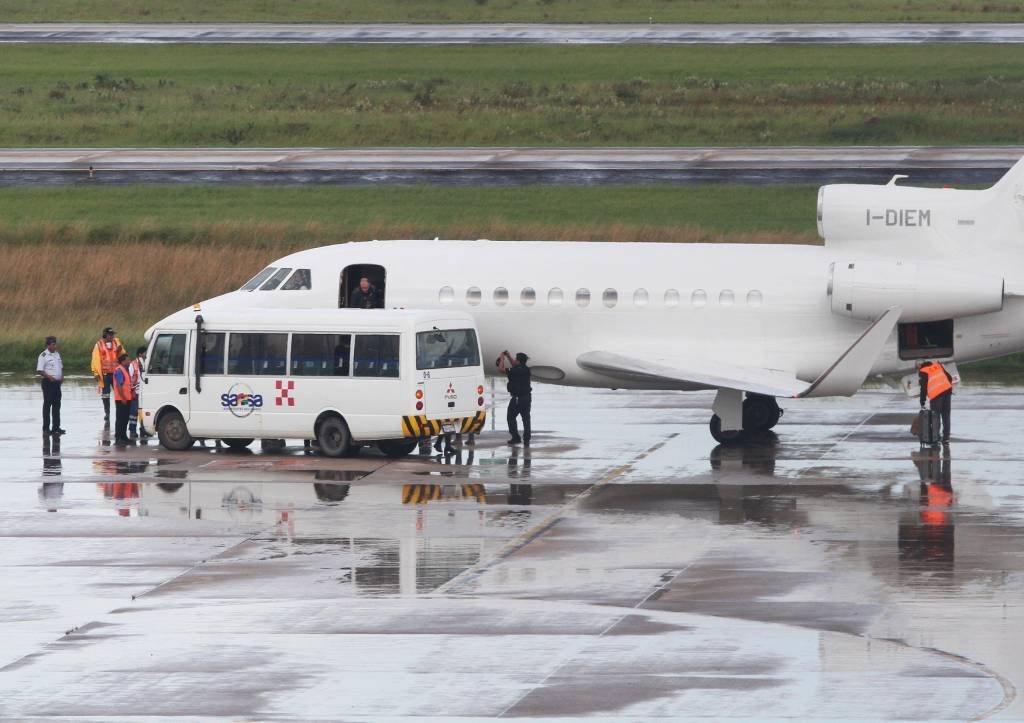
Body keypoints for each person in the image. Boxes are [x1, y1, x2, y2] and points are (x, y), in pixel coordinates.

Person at [90, 327, 124, 423]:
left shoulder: (117, 342)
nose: (113, 336)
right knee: (105, 395)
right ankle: (107, 413)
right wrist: (95, 373)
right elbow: (95, 359)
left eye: (113, 334)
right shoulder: (99, 344)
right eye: (111, 334)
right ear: (106, 335)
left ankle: (120, 411)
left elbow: (123, 356)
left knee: (119, 393)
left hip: (116, 374)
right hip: (105, 375)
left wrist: (119, 351)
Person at [497, 350, 531, 446]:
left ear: (519, 361)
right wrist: (508, 356)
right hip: (527, 397)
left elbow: (501, 369)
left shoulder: (515, 370)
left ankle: (516, 437)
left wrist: (502, 359)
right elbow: (514, 364)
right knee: (526, 419)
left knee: (511, 417)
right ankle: (527, 439)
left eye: (516, 359)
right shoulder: (526, 369)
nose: (514, 360)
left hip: (517, 398)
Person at [918, 359, 953, 444]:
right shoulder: (937, 366)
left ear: (921, 366)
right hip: (947, 391)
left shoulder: (923, 371)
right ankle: (946, 439)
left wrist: (922, 401)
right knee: (946, 416)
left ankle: (935, 438)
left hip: (936, 395)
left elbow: (923, 388)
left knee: (936, 417)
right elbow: (949, 378)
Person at [36, 335, 64, 436]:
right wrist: (49, 377)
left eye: (55, 344)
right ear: (48, 345)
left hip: (57, 383)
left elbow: (61, 367)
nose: (55, 346)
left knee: (57, 405)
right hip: (48, 383)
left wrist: (62, 377)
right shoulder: (43, 355)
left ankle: (56, 427)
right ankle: (46, 428)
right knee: (47, 405)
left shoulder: (57, 354)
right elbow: (40, 370)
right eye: (53, 344)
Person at [111, 353, 136, 444]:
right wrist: (123, 398)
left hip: (127, 398)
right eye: (128, 360)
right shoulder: (119, 370)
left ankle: (124, 437)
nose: (129, 361)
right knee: (120, 419)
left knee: (125, 419)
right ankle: (119, 438)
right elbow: (119, 386)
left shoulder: (125, 370)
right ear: (123, 361)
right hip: (121, 400)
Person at [128, 346, 149, 440]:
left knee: (142, 413)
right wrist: (131, 391)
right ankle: (132, 431)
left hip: (144, 393)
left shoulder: (147, 363)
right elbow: (129, 379)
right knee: (133, 413)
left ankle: (143, 430)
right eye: (145, 352)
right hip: (135, 392)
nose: (146, 354)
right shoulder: (132, 365)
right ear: (140, 354)